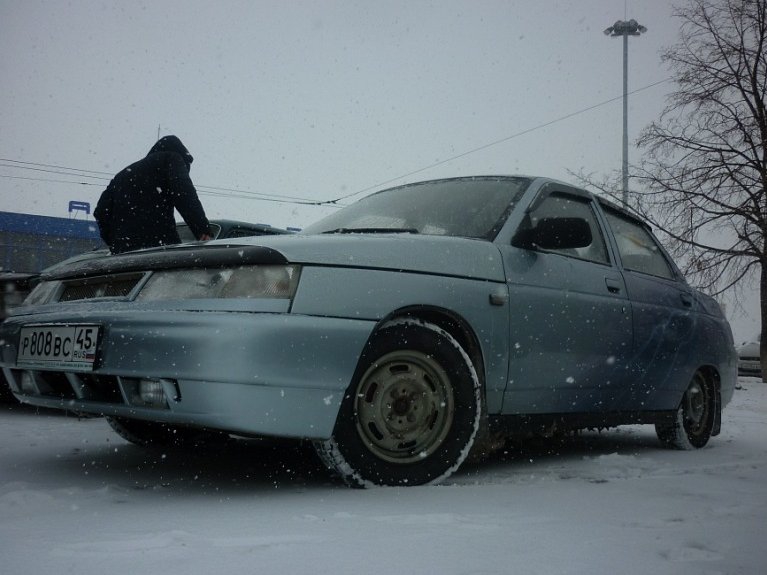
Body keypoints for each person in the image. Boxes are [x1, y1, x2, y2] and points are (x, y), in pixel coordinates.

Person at [94, 135, 212, 254]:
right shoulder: (172, 158)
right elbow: (184, 194)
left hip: (122, 254)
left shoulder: (121, 176)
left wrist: (114, 241)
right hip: (158, 247)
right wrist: (202, 229)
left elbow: (101, 211)